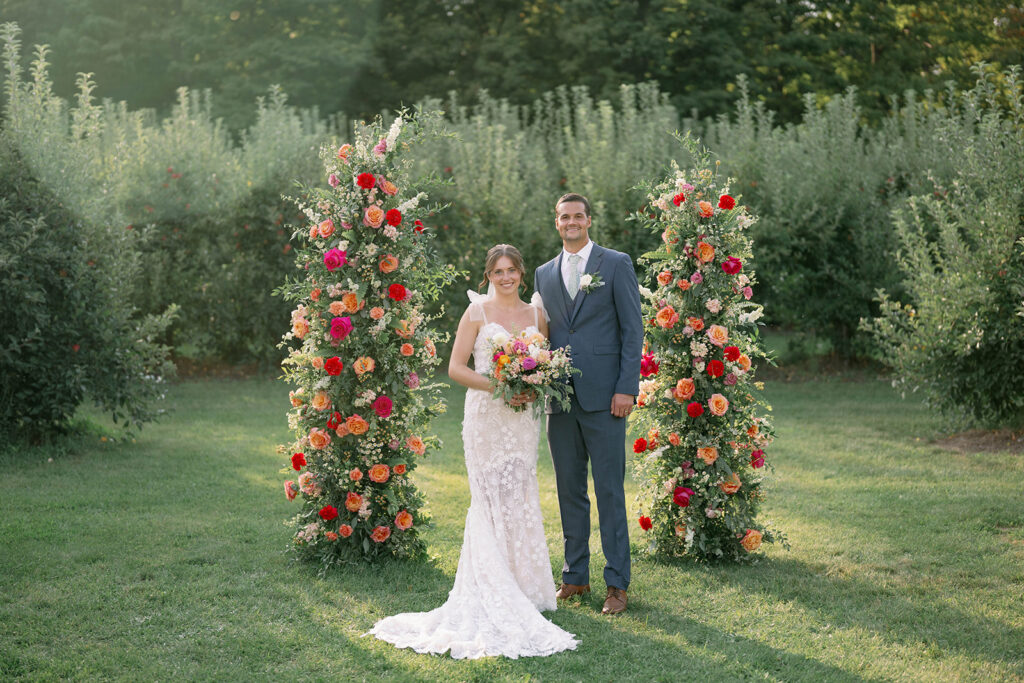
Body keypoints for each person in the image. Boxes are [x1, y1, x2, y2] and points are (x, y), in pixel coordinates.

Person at [367, 244, 578, 659]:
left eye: (512, 270)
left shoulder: (538, 315)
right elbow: (456, 368)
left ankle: (523, 587)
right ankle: (490, 584)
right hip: (486, 419)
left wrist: (530, 388)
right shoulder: (476, 313)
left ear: (521, 273)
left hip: (521, 422)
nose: (505, 277)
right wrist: (501, 386)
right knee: (488, 499)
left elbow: (545, 363)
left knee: (518, 494)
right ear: (488, 275)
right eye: (498, 271)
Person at [532, 193, 643, 616]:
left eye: (578, 216)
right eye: (565, 217)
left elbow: (633, 331)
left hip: (606, 398)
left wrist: (626, 388)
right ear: (556, 222)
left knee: (610, 492)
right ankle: (574, 576)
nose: (572, 222)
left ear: (589, 220)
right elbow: (541, 332)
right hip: (558, 399)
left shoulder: (615, 264)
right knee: (568, 491)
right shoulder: (544, 274)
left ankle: (617, 584)